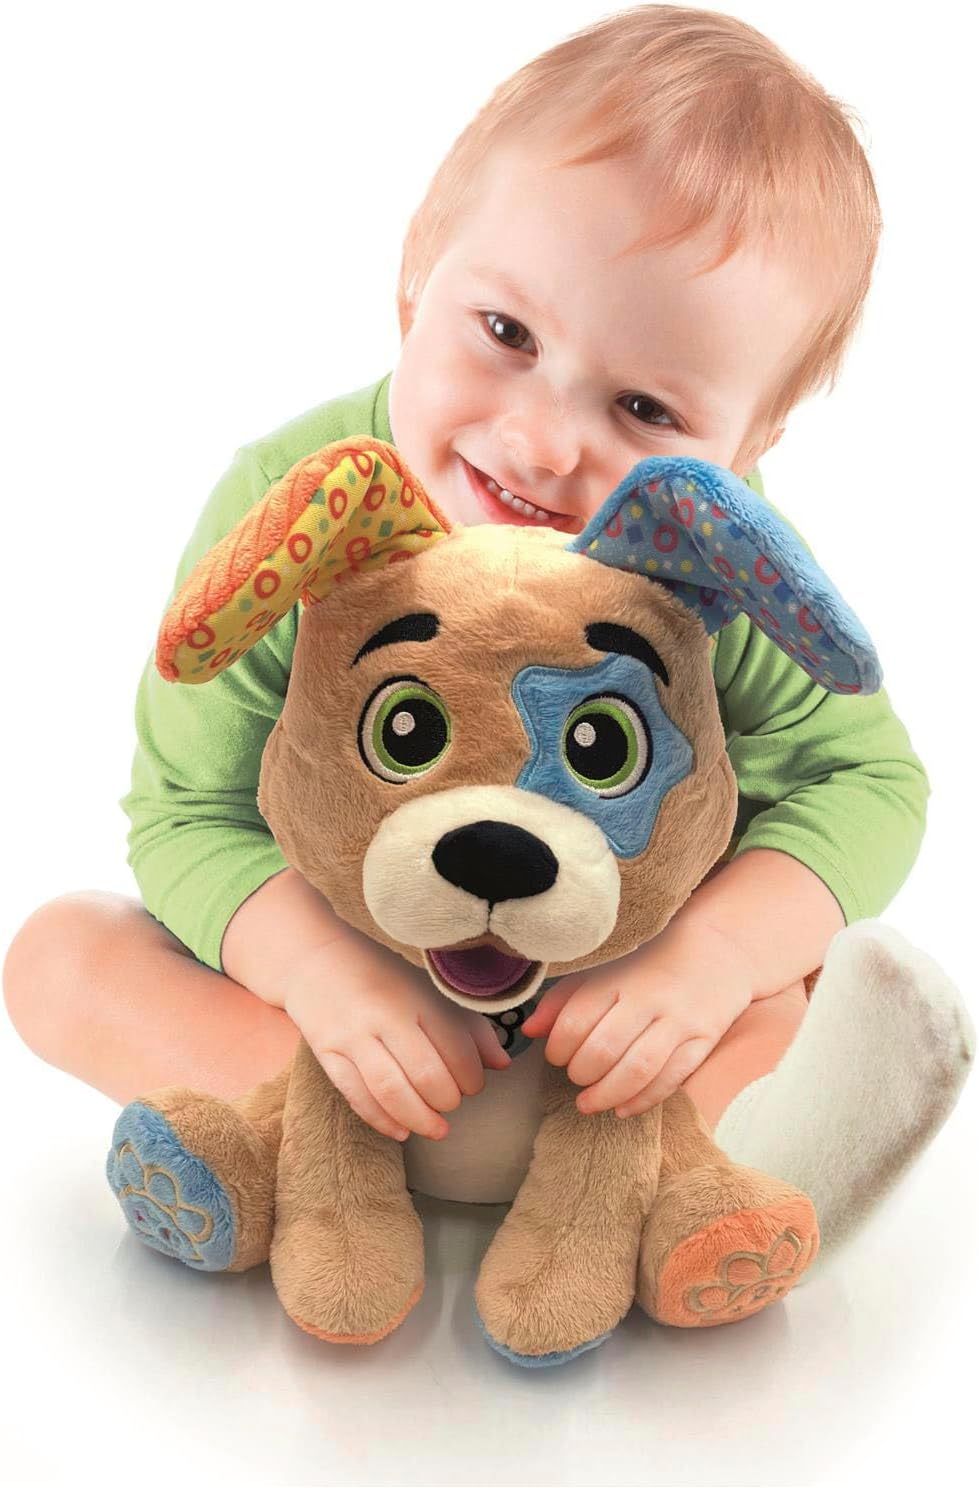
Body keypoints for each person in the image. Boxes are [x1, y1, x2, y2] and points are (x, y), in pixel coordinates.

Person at [2, 7, 929, 1175]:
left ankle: (615, 1175)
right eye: (505, 331)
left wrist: (710, 961)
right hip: (345, 1029)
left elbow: (868, 782)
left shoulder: (711, 555)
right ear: (416, 271)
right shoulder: (301, 505)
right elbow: (188, 810)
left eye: (645, 408)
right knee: (60, 958)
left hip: (607, 1037)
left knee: (786, 995)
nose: (539, 442)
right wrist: (319, 977)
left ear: (748, 448)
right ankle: (333, 1136)